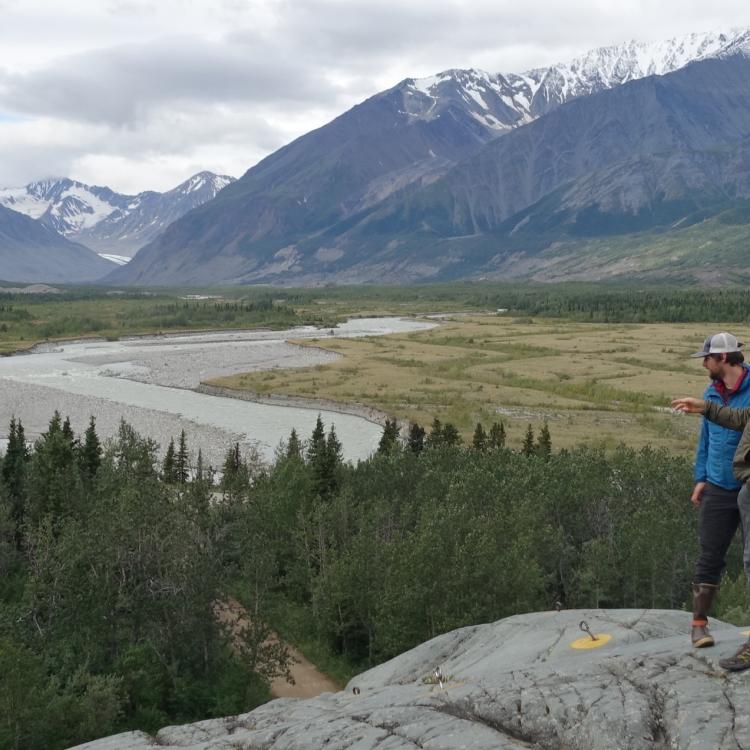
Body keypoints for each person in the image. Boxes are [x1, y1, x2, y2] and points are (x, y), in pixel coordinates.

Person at [680, 333, 750, 651]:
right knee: (709, 555)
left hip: (748, 485)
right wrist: (701, 477)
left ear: (722, 358)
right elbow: (705, 439)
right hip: (718, 486)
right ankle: (698, 626)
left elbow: (737, 421)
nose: (704, 364)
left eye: (706, 358)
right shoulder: (711, 391)